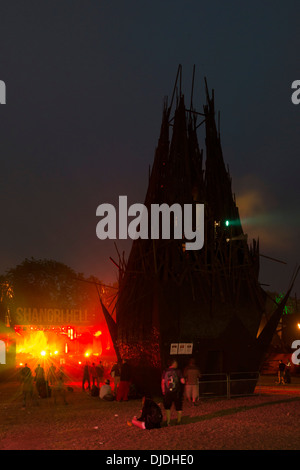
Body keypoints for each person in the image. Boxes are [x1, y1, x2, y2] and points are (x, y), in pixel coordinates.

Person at [161, 359, 185, 426]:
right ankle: (179, 420)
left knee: (167, 407)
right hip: (176, 392)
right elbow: (183, 381)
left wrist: (163, 391)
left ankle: (168, 421)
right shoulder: (178, 371)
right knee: (178, 406)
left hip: (167, 392)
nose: (177, 364)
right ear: (173, 363)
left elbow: (163, 382)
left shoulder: (165, 371)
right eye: (176, 363)